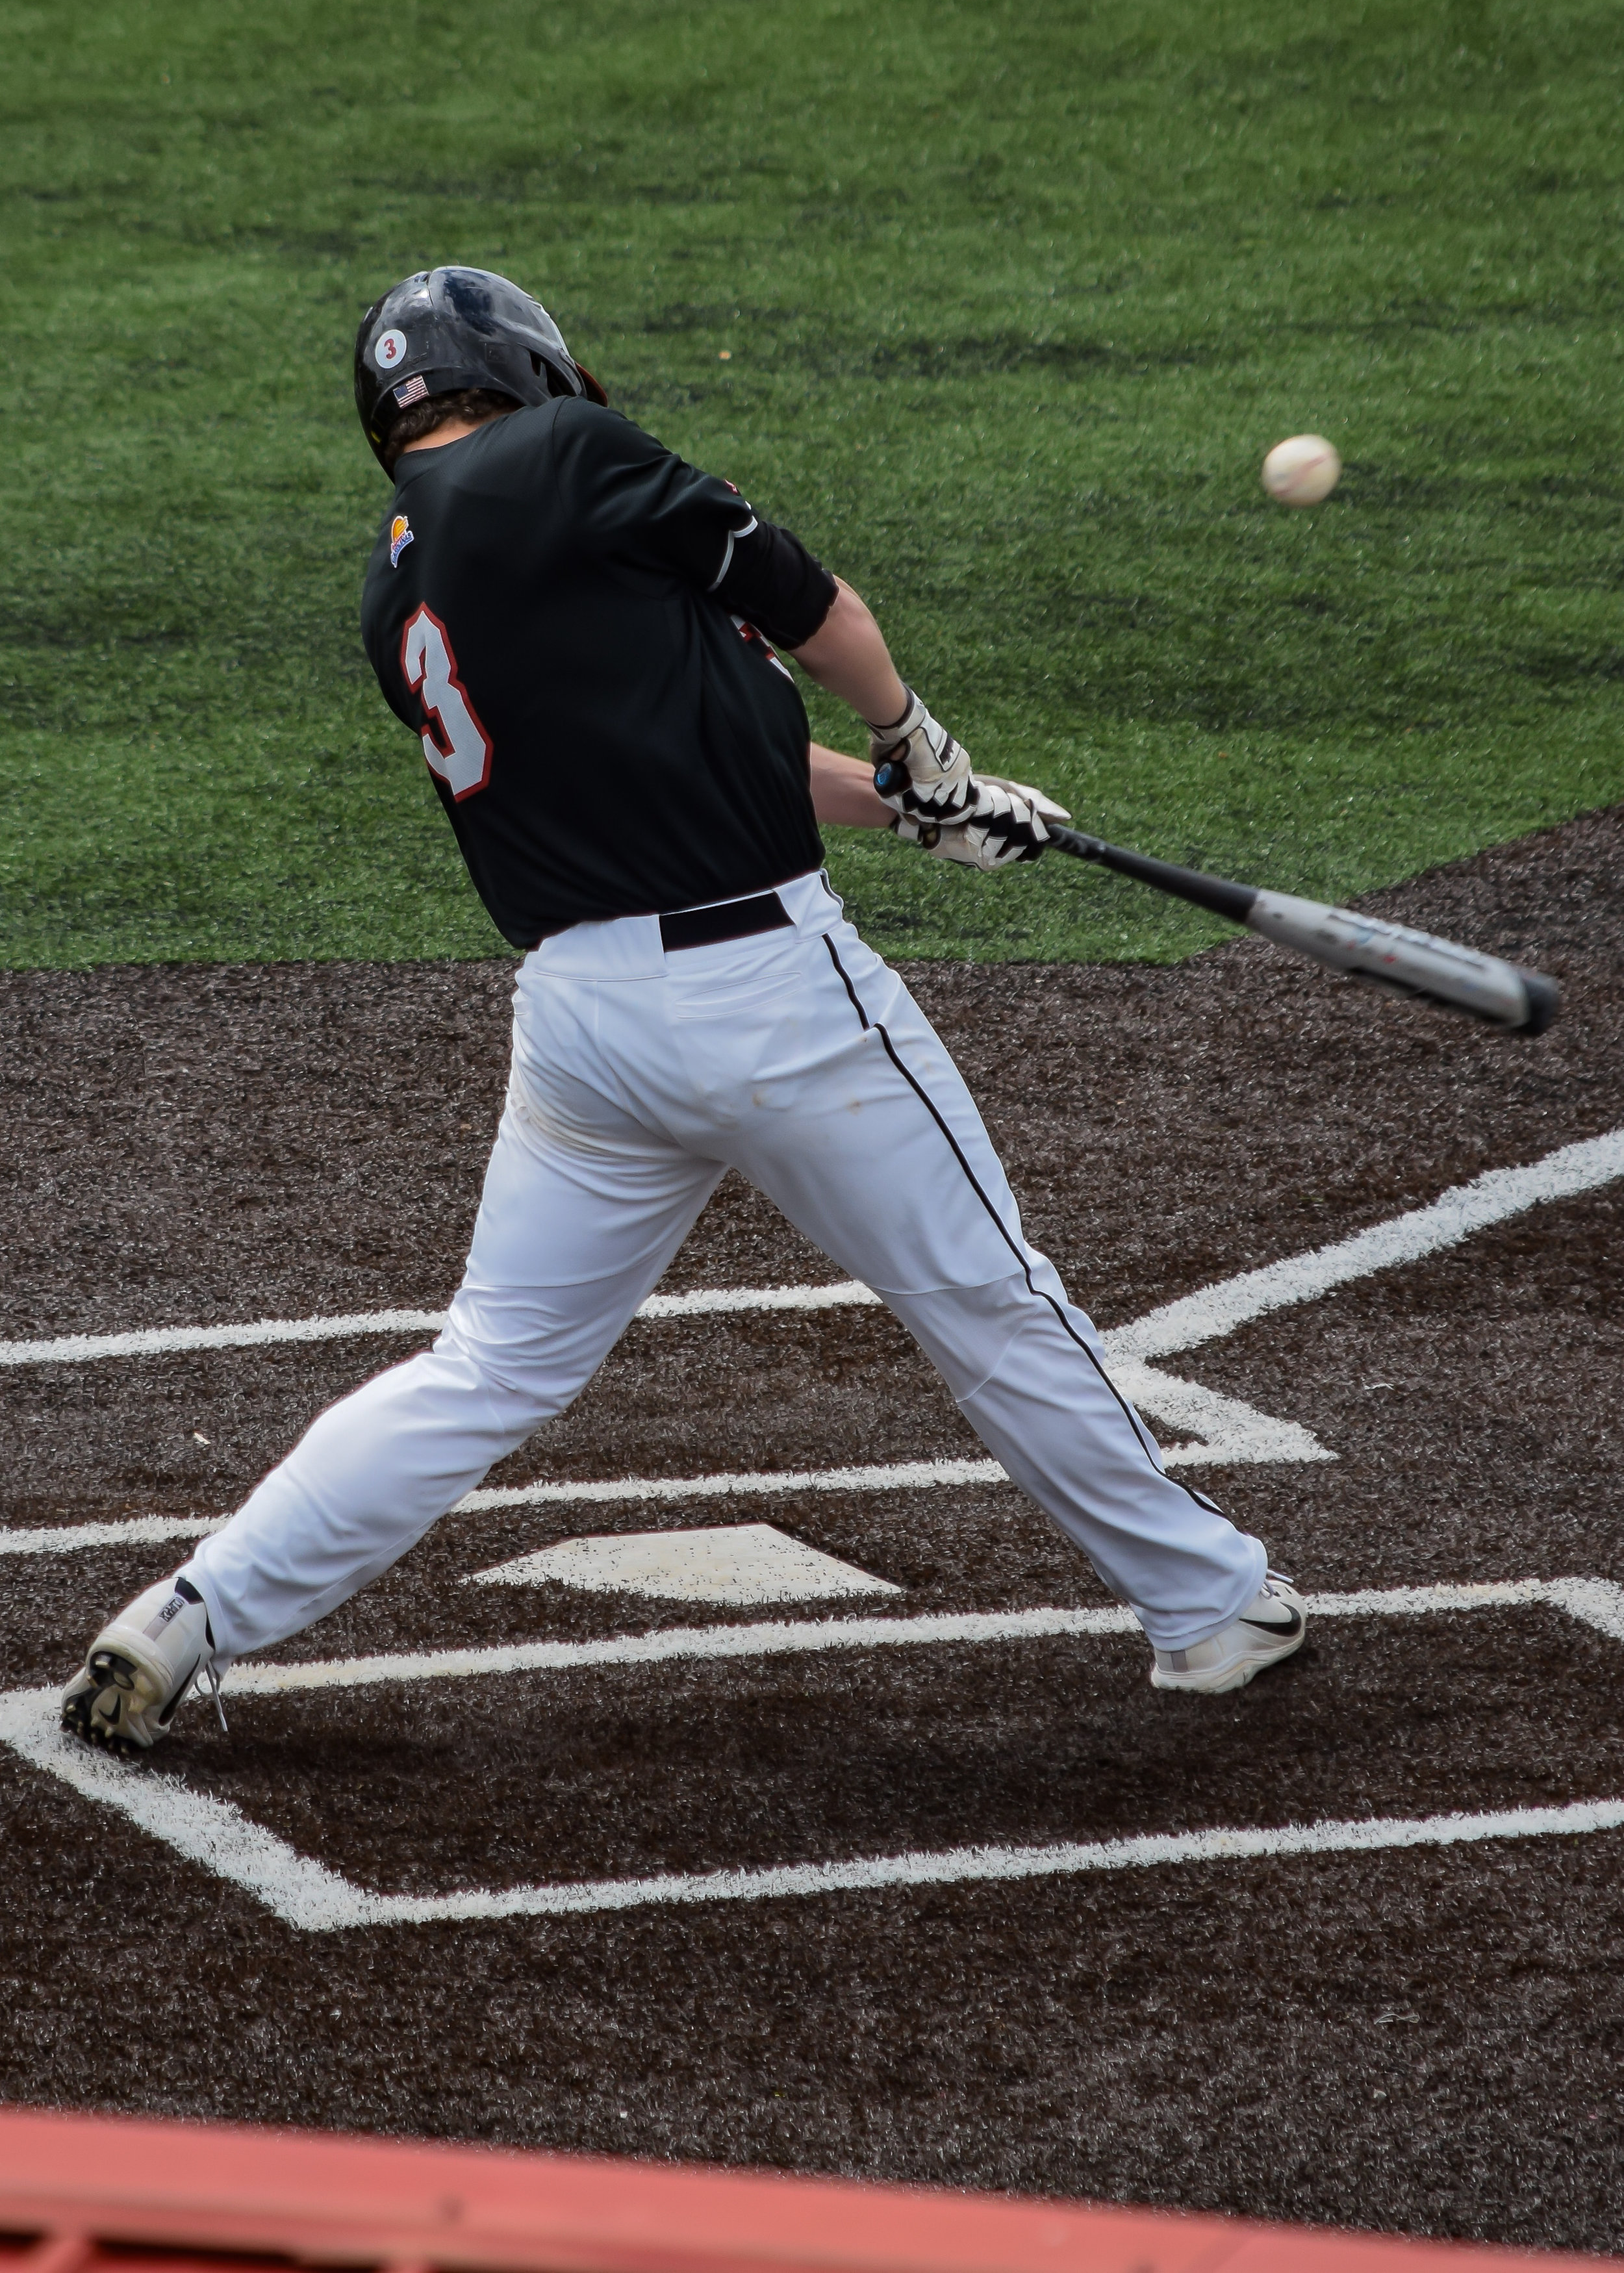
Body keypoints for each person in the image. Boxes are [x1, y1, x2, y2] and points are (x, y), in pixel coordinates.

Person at [61, 266, 1305, 1756]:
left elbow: (690, 752)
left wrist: (917, 815)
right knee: (988, 1299)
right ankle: (1208, 1605)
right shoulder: (573, 455)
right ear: (527, 370)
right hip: (775, 998)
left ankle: (194, 1610)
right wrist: (914, 740)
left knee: (489, 1367)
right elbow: (810, 600)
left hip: (585, 1032)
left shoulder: (402, 582)